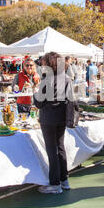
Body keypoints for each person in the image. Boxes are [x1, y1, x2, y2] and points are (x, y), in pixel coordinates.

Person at [33, 52, 73, 194]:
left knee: (52, 150)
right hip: (62, 117)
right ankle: (64, 180)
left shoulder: (47, 80)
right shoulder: (67, 78)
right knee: (60, 148)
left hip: (49, 119)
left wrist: (35, 92)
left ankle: (55, 184)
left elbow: (38, 103)